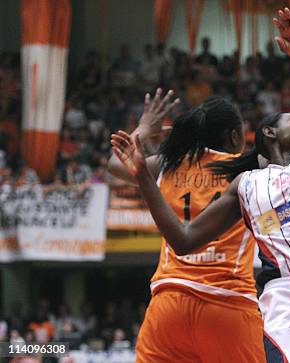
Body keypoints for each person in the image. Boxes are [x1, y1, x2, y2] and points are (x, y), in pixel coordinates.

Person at [111, 8, 290, 363]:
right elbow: (183, 239)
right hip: (281, 295)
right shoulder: (244, 182)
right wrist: (144, 178)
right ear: (268, 132)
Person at [108, 91, 265, 362]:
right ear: (235, 137)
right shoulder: (249, 170)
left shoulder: (168, 164)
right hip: (228, 303)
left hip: (169, 304)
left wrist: (144, 130)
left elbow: (116, 164)